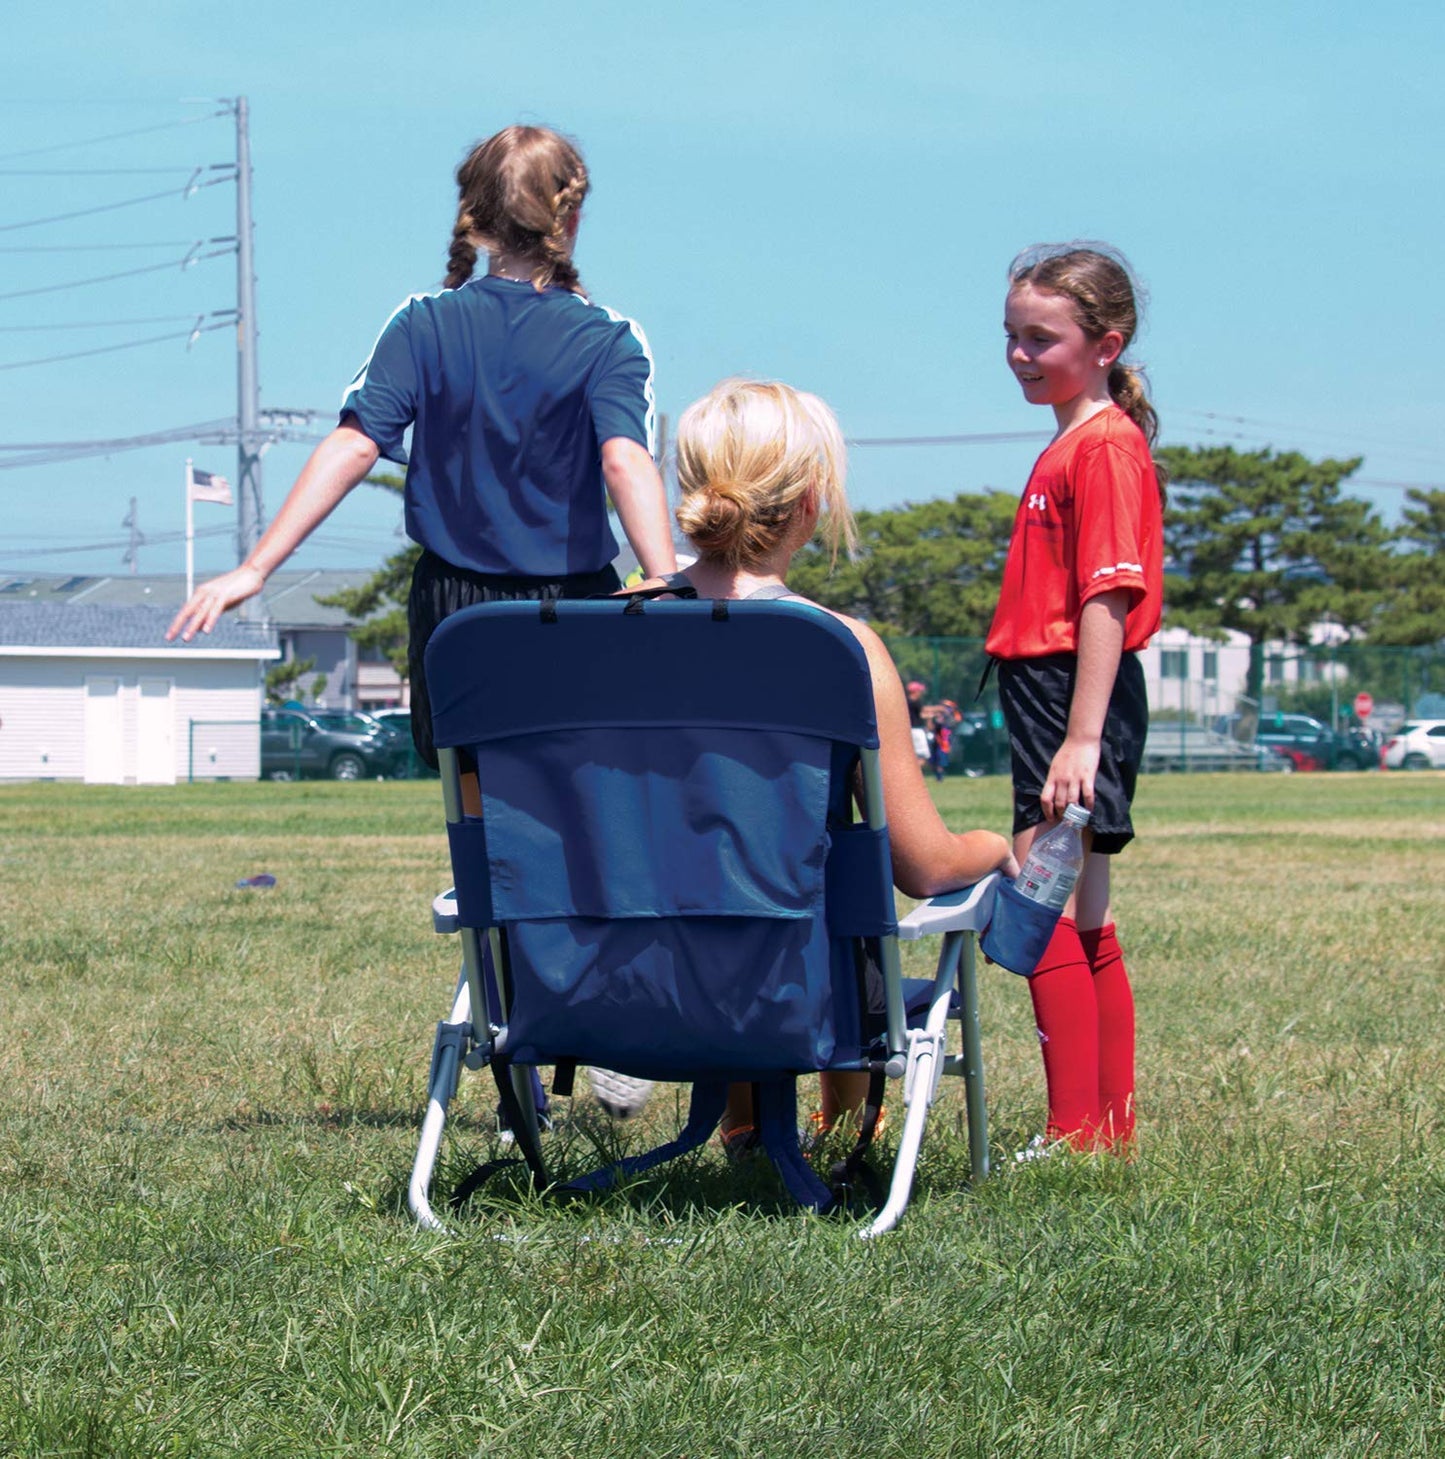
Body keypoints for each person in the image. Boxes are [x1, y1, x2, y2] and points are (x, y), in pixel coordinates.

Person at [168, 123, 677, 1124]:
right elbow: (624, 460)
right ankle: (614, 1023)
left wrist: (256, 566)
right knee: (595, 826)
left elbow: (355, 444)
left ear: (473, 218)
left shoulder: (421, 325)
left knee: (488, 843)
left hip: (457, 622)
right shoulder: (608, 338)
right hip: (574, 616)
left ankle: (516, 1033)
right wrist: (662, 578)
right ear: (571, 216)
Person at [630, 377, 1018, 1153]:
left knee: (704, 853)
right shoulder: (838, 648)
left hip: (622, 976)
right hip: (801, 988)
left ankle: (746, 1124)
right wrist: (992, 846)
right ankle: (841, 1127)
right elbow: (923, 866)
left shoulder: (606, 628)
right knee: (819, 863)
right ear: (810, 504)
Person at [986, 243, 1164, 1153]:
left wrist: (1079, 737)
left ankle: (1073, 1132)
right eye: (1011, 335)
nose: (1020, 354)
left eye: (1040, 338)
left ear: (1105, 345)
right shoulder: (1073, 440)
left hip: (1070, 691)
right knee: (1081, 906)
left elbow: (1108, 597)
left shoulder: (1102, 447)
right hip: (1056, 688)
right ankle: (1103, 1131)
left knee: (1039, 897)